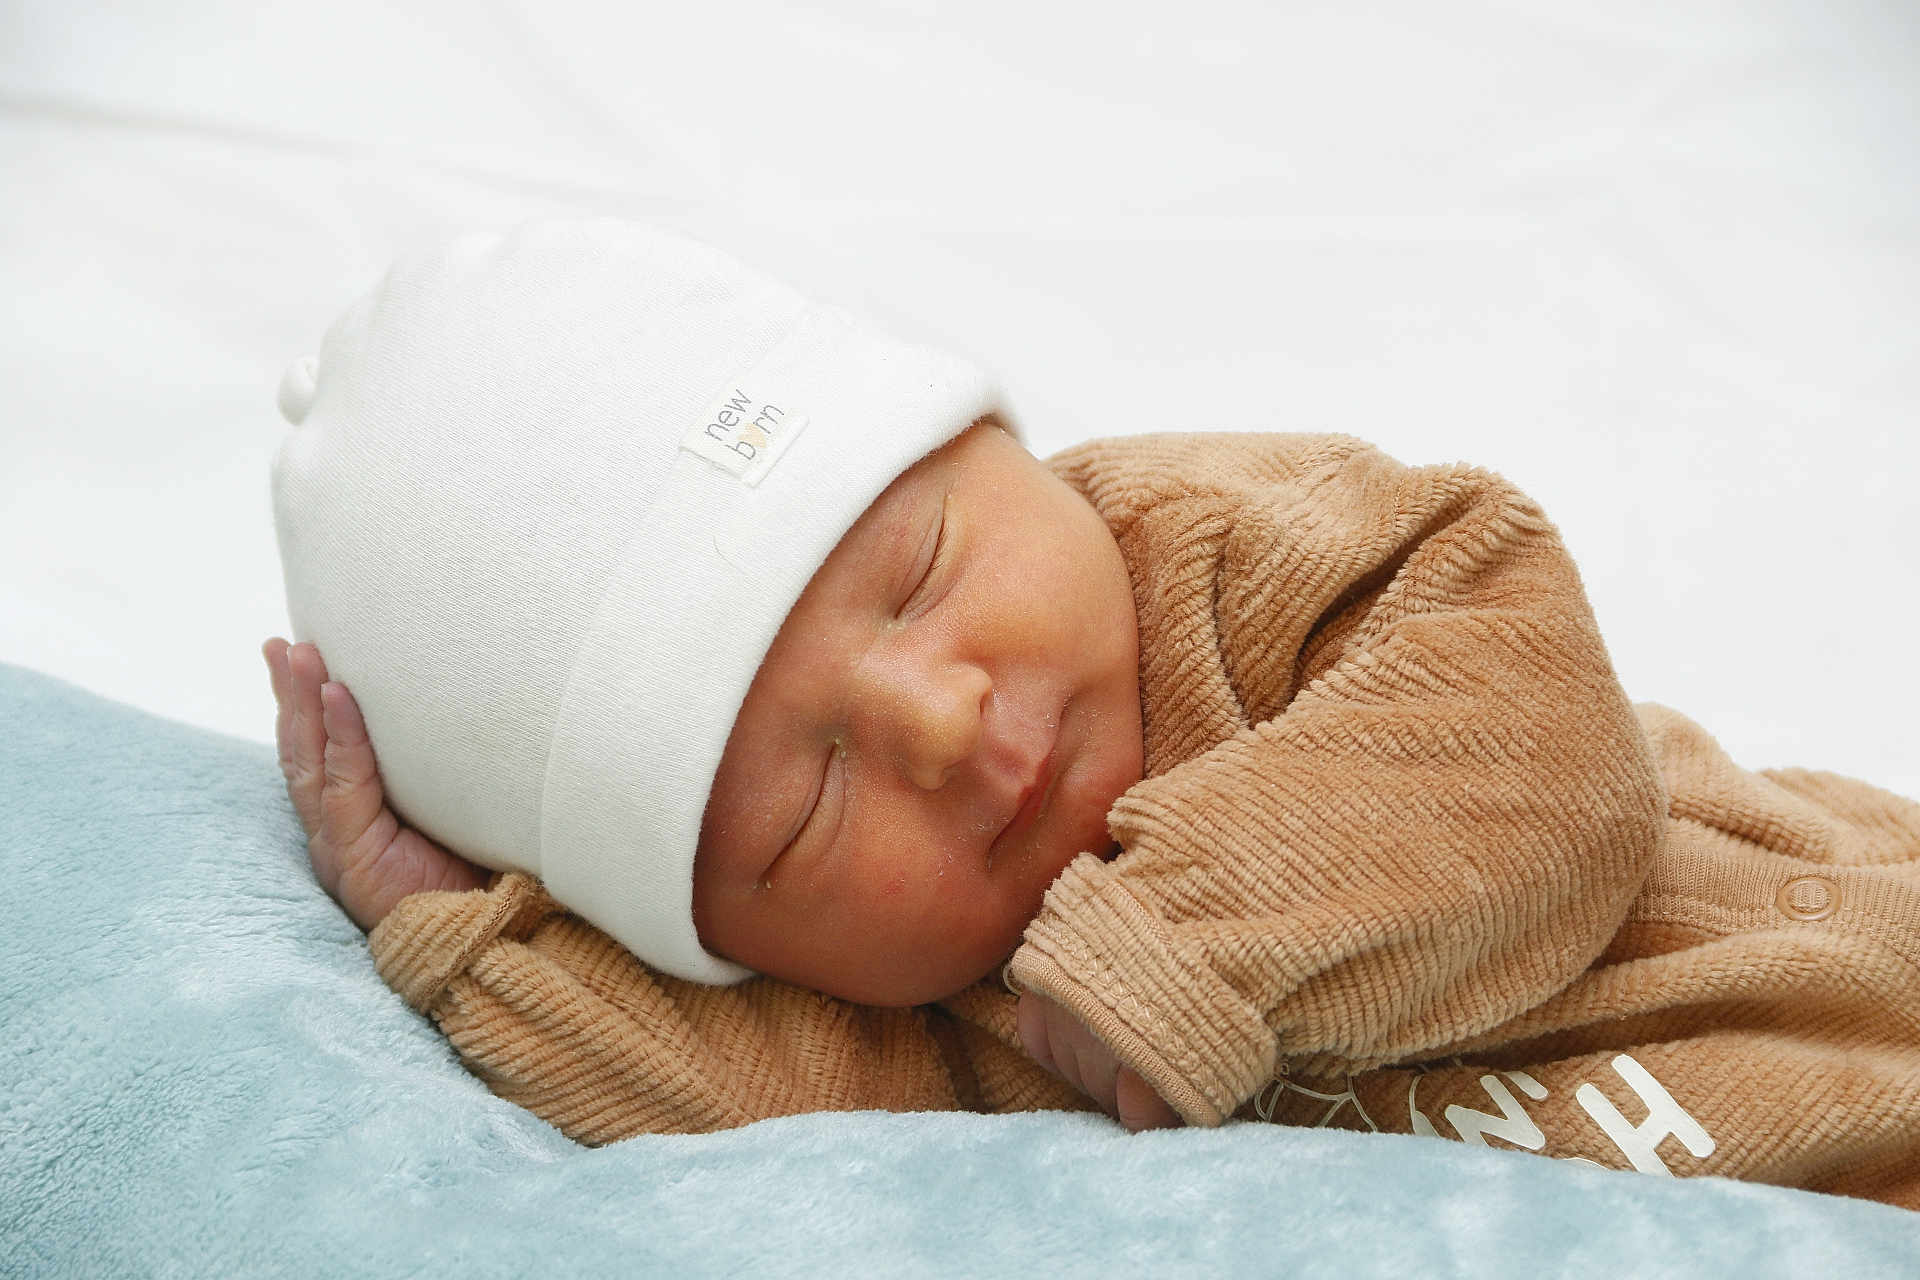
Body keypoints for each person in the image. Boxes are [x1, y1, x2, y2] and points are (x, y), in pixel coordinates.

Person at [265, 217, 1920, 1206]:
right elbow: (739, 1125)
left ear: (1000, 451)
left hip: (1847, 981)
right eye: (804, 809)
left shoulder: (1208, 563)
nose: (935, 725)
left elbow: (1525, 697)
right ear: (738, 942)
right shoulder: (924, 1032)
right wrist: (456, 935)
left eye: (917, 570)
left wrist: (1189, 941)